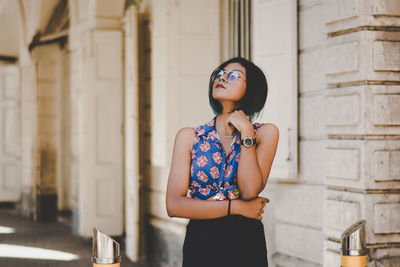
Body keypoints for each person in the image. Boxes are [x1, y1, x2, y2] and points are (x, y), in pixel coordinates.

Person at [166, 57, 279, 267]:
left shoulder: (265, 133)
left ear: (251, 87)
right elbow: (174, 206)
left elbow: (249, 190)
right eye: (220, 74)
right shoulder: (189, 137)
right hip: (201, 241)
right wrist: (235, 207)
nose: (223, 78)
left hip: (246, 241)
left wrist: (246, 133)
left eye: (234, 75)